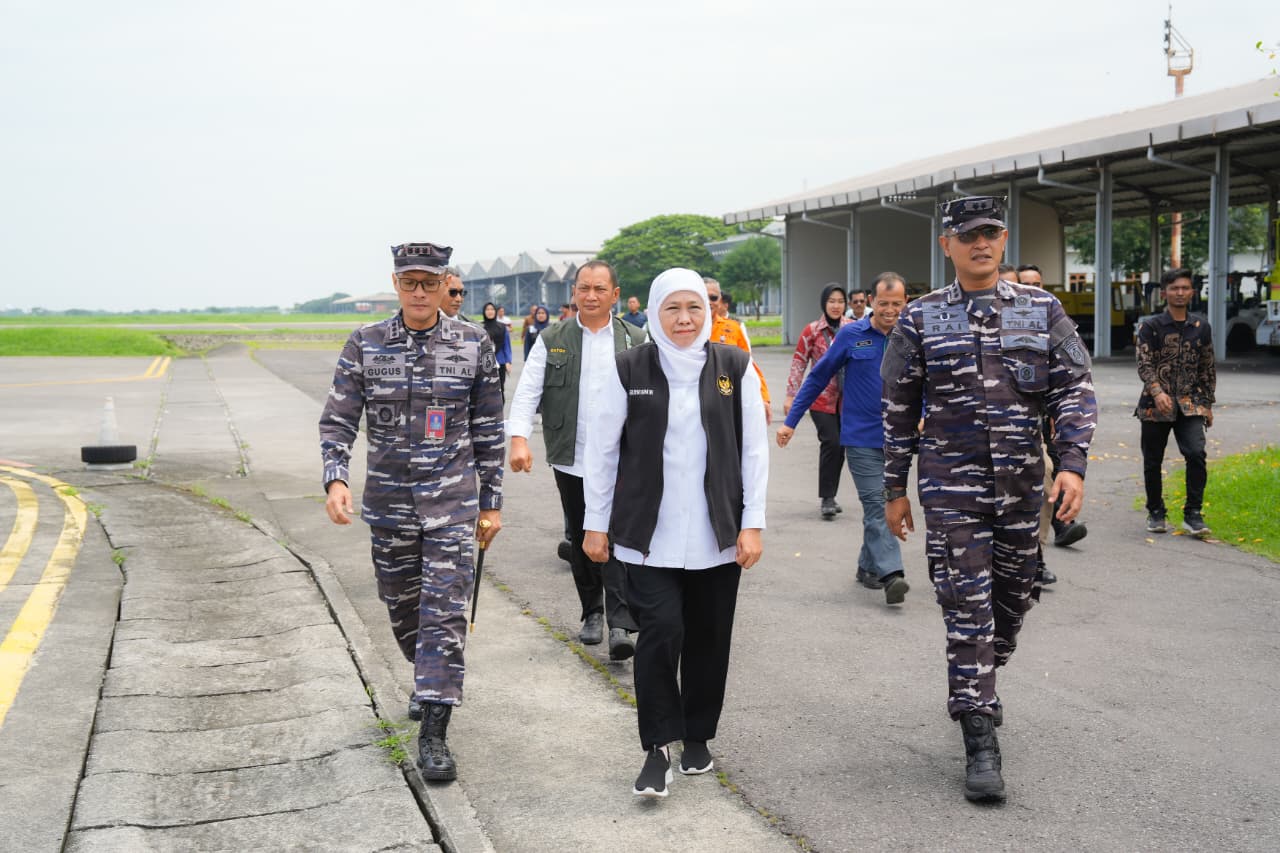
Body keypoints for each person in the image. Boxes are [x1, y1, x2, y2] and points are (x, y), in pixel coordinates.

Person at [881, 197, 1096, 803]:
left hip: (1025, 486)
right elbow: (897, 411)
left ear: (1003, 242)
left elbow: (1073, 391)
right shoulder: (920, 319)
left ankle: (985, 672)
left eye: (991, 233)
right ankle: (979, 733)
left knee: (1013, 601)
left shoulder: (1042, 309)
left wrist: (1073, 466)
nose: (981, 243)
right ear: (947, 245)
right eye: (968, 234)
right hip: (951, 490)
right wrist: (893, 488)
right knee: (966, 607)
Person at [319, 241, 503, 783]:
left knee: (443, 617)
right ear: (395, 284)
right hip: (389, 505)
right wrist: (335, 479)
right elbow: (337, 420)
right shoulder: (366, 343)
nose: (419, 293)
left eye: (429, 283)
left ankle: (435, 732)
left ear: (445, 283)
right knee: (404, 613)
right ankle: (426, 674)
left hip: (452, 505)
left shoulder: (472, 344)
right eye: (409, 283)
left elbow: (489, 431)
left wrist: (491, 505)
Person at [582, 267, 767, 799]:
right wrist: (596, 523)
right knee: (661, 634)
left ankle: (698, 736)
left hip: (718, 534)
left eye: (693, 309)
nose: (684, 320)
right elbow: (602, 451)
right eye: (672, 309)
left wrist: (751, 524)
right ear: (656, 314)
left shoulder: (734, 365)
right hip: (649, 535)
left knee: (710, 638)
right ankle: (656, 748)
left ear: (707, 312)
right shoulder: (629, 368)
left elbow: (753, 452)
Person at [507, 260, 644, 659]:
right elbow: (528, 392)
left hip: (624, 459)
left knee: (616, 537)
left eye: (600, 289)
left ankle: (621, 623)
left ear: (615, 295)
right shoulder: (554, 338)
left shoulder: (636, 339)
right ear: (574, 293)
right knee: (583, 537)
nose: (591, 296)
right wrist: (519, 439)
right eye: (584, 288)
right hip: (573, 456)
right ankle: (593, 613)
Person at [778, 273, 910, 605]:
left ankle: (868, 566)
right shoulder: (852, 335)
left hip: (899, 442)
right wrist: (791, 421)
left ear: (905, 302)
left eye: (897, 304)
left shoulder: (912, 336)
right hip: (861, 439)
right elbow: (818, 376)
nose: (890, 310)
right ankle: (892, 573)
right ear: (870, 301)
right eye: (884, 303)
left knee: (878, 506)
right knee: (878, 504)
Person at [1135, 268, 1215, 537]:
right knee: (1152, 460)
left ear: (1192, 292)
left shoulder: (1201, 327)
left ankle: (1193, 513)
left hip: (1191, 403)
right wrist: (1157, 392)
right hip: (1154, 405)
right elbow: (1144, 363)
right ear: (1164, 292)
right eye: (1174, 288)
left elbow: (1207, 367)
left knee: (1196, 453)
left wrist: (1208, 404)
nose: (1179, 293)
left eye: (1184, 288)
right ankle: (1156, 511)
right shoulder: (1151, 326)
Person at [1016, 263, 1087, 562]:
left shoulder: (1051, 315)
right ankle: (1055, 531)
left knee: (1051, 470)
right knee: (1041, 477)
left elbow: (1073, 377)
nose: (1033, 289)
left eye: (1037, 283)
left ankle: (1052, 534)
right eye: (1026, 284)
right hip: (1016, 425)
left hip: (1047, 417)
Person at [783, 282, 850, 520]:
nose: (836, 305)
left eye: (840, 301)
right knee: (831, 441)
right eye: (831, 301)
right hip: (821, 399)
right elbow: (799, 362)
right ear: (824, 303)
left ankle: (831, 493)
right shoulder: (811, 330)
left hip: (848, 400)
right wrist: (791, 395)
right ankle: (827, 498)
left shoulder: (852, 328)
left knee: (841, 445)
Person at [703, 277, 772, 424]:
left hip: (728, 401)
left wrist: (763, 397)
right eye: (704, 296)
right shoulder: (684, 328)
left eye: (713, 297)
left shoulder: (734, 328)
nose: (709, 301)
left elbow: (749, 365)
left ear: (721, 300)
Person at [480, 302, 513, 400]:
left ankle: (499, 410)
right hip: (484, 362)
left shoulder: (502, 327)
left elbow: (507, 345)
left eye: (492, 309)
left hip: (500, 361)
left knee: (500, 388)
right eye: (487, 309)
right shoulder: (480, 327)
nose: (490, 312)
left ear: (495, 311)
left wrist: (508, 361)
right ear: (484, 312)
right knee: (485, 388)